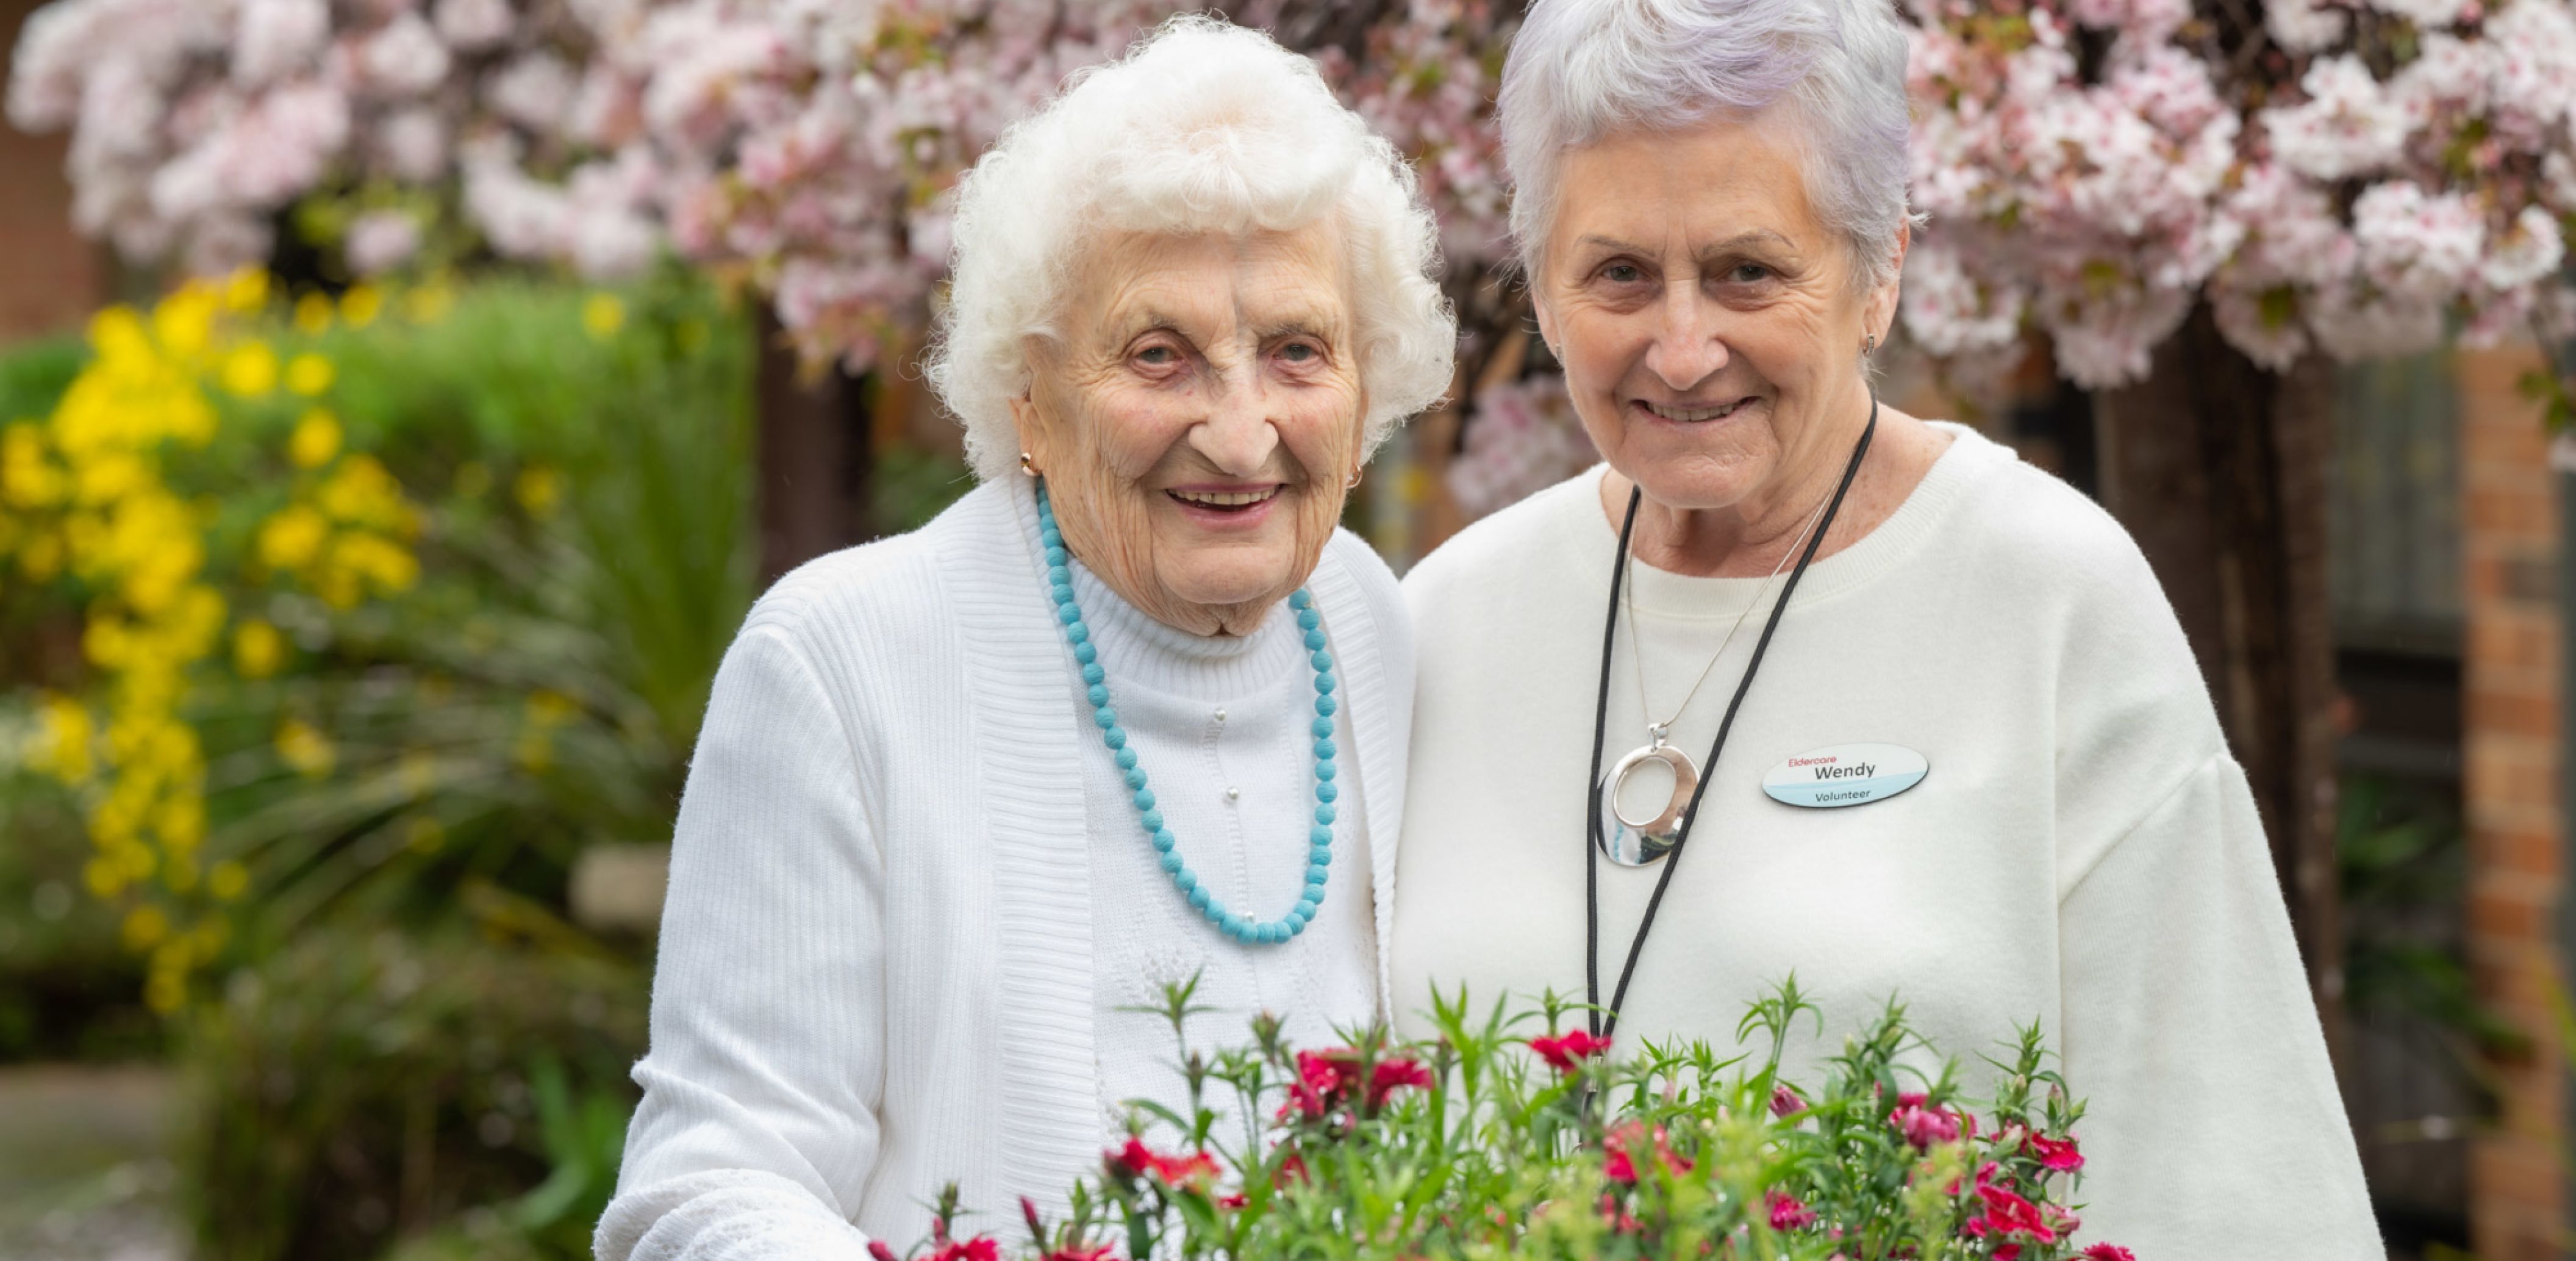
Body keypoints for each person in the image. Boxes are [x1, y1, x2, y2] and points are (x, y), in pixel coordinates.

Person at [1388, 0, 2382, 1253]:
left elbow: (2224, 1173)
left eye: (1748, 271)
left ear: (1880, 274)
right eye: (1621, 274)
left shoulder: (2047, 598)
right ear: (1542, 289)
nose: (1682, 351)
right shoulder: (1445, 618)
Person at [596, 18, 1454, 1260]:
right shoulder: (841, 663)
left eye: (1297, 352)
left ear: (1368, 388)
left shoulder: (1375, 622)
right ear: (1029, 395)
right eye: (1159, 356)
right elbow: (712, 1181)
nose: (1241, 431)